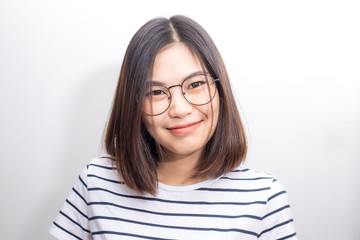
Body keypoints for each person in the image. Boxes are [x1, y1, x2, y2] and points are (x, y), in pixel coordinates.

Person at [49, 15, 296, 239]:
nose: (179, 109)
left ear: (221, 91)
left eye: (195, 84)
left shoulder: (264, 196)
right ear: (133, 105)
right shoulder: (96, 182)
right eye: (156, 92)